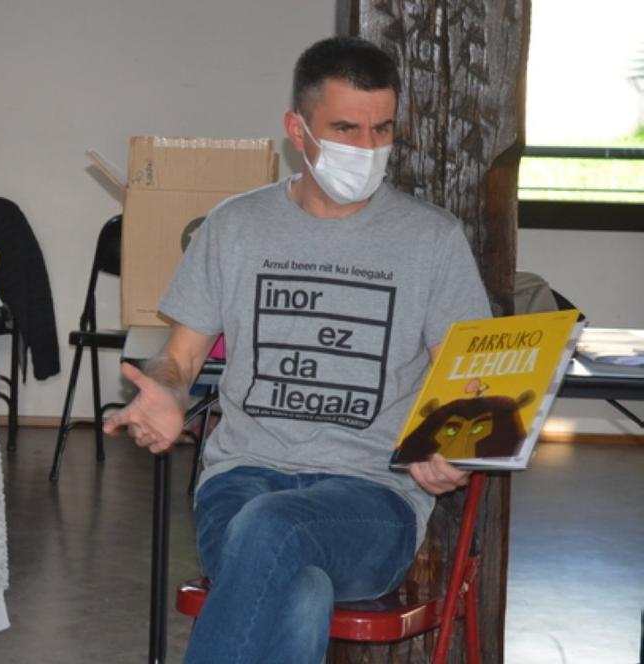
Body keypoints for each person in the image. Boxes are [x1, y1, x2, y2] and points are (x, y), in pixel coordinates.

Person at [104, 36, 493, 663]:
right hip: (242, 481)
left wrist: (456, 443)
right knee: (301, 594)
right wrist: (168, 392)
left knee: (274, 525)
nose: (367, 148)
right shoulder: (235, 225)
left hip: (372, 498)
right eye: (346, 129)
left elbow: (469, 381)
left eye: (382, 129)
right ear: (297, 130)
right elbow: (179, 359)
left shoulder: (432, 240)